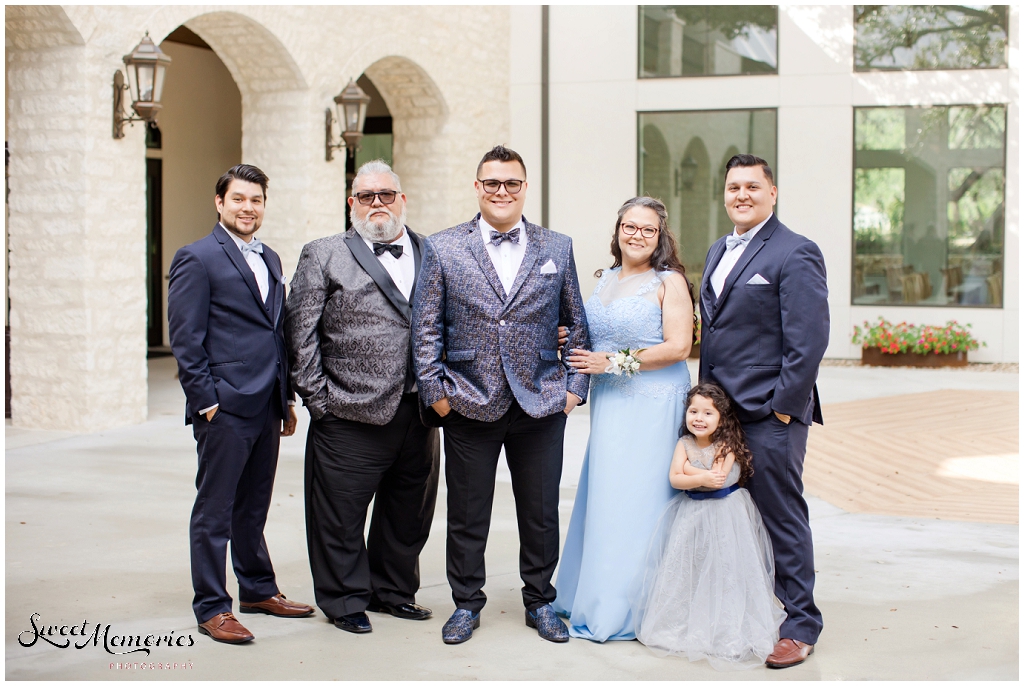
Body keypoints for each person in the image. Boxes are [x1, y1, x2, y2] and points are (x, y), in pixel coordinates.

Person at [412, 145, 590, 645]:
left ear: (524, 187)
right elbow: (426, 330)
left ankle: (540, 601)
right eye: (492, 182)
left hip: (540, 403)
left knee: (540, 511)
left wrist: (573, 391)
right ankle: (467, 604)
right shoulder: (444, 247)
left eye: (511, 183)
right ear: (477, 187)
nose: (502, 191)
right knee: (468, 513)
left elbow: (577, 322)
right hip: (469, 401)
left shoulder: (557, 247)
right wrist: (438, 395)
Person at [284, 160, 440, 635]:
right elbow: (300, 332)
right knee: (340, 517)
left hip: (418, 410)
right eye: (366, 195)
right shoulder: (323, 253)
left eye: (386, 195)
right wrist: (318, 401)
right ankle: (345, 599)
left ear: (402, 200)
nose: (378, 203)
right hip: (348, 411)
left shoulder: (432, 252)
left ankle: (392, 592)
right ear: (352, 203)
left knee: (408, 513)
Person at [167, 164, 314, 645]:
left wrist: (285, 396)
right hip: (224, 407)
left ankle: (257, 589)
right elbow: (186, 340)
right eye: (238, 199)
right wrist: (206, 401)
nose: (247, 208)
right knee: (215, 510)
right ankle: (212, 606)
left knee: (254, 506)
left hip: (268, 402)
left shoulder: (269, 257)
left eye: (255, 200)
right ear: (219, 203)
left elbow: (276, 332)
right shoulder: (197, 257)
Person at [698, 154, 829, 668]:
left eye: (753, 186)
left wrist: (781, 412)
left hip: (770, 416)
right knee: (733, 517)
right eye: (733, 187)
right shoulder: (716, 250)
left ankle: (800, 623)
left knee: (780, 517)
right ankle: (750, 611)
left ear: (772, 193)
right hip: (723, 413)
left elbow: (809, 341)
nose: (742, 195)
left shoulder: (797, 252)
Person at [553, 196, 693, 641]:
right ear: (617, 231)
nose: (636, 235)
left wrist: (611, 362)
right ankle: (594, 594)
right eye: (629, 227)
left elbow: (678, 347)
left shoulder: (669, 282)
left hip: (653, 403)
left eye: (647, 229)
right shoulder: (605, 278)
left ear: (660, 237)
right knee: (608, 498)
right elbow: (594, 334)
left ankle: (632, 607)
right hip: (611, 404)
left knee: (640, 501)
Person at [632, 383, 786, 670]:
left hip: (725, 514)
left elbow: (718, 479)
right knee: (690, 567)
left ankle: (724, 630)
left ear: (722, 418)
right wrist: (693, 475)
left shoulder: (726, 445)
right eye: (693, 411)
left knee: (724, 568)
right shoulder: (684, 443)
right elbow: (673, 480)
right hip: (691, 513)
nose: (698, 418)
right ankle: (684, 625)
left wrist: (689, 470)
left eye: (707, 413)